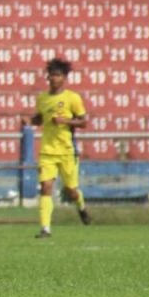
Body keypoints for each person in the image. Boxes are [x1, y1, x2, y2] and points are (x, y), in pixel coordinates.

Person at [26, 57, 91, 238]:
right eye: (51, 75)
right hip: (47, 150)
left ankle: (82, 207)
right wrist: (30, 121)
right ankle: (45, 229)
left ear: (64, 78)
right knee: (46, 187)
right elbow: (40, 119)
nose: (53, 78)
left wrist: (65, 121)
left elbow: (84, 122)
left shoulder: (72, 98)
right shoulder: (42, 99)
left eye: (57, 75)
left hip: (67, 151)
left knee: (71, 191)